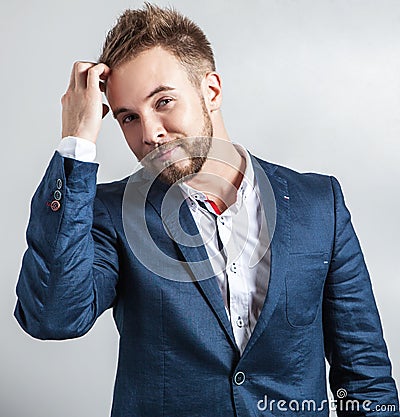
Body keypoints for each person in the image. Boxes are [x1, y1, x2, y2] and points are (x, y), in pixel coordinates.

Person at [14, 3, 399, 417]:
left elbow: (364, 375)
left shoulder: (319, 203)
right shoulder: (112, 212)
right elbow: (51, 317)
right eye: (128, 117)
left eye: (163, 101)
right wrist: (76, 142)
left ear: (210, 91)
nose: (150, 134)